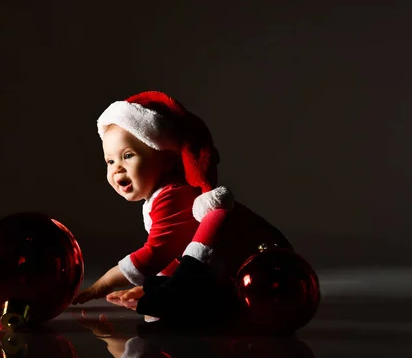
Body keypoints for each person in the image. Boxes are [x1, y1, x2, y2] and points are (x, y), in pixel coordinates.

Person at [72, 91, 292, 322]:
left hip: (261, 261)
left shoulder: (172, 196)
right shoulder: (160, 197)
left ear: (166, 160)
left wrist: (100, 286)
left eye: (128, 155)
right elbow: (176, 253)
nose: (118, 168)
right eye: (110, 160)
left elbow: (156, 253)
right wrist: (153, 288)